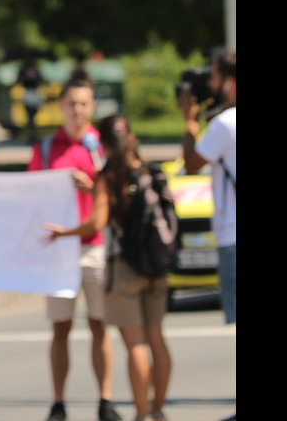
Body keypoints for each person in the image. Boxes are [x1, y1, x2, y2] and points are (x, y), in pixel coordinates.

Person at [44, 114, 173, 421]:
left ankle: (141, 413)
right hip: (155, 265)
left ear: (101, 140)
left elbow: (98, 221)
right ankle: (158, 410)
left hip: (125, 267)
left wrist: (64, 232)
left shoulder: (110, 174)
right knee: (157, 338)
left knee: (136, 343)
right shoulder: (147, 169)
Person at [28, 77, 122, 421]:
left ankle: (106, 399)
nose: (78, 110)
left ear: (92, 107)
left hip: (94, 246)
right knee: (60, 329)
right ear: (62, 106)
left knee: (100, 325)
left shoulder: (100, 145)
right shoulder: (47, 147)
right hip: (59, 251)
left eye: (84, 104)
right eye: (72, 103)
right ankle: (58, 402)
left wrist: (93, 182)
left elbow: (118, 191)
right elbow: (31, 193)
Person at [179, 48, 235, 421]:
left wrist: (189, 118)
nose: (208, 84)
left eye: (213, 77)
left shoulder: (226, 124)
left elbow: (191, 161)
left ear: (229, 82)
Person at [17, 55, 45, 142]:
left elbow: (41, 80)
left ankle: (32, 135)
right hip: (28, 93)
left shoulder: (34, 69)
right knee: (30, 117)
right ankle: (31, 135)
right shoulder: (24, 70)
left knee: (32, 117)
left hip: (33, 93)